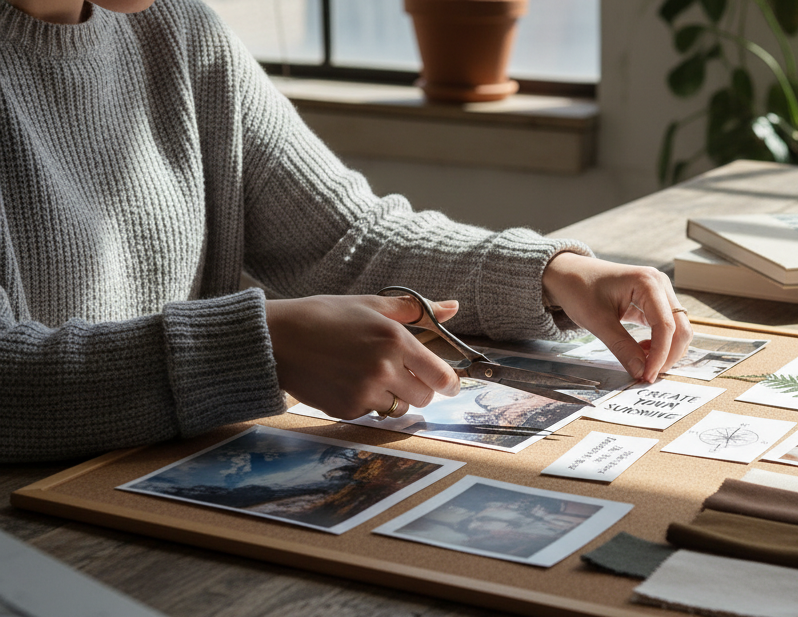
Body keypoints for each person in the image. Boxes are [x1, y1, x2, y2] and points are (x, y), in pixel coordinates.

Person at [0, 0, 692, 463]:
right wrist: (261, 343)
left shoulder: (177, 30)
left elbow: (345, 239)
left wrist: (548, 274)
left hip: (167, 504)